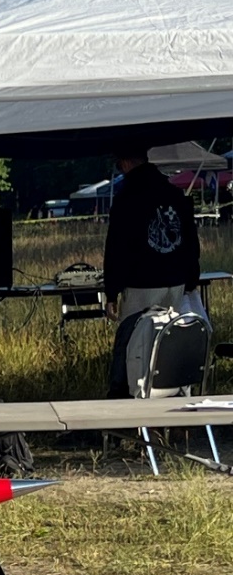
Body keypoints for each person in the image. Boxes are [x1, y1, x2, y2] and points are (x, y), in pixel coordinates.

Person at [104, 147, 201, 397]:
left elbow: (117, 247)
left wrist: (111, 290)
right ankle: (170, 391)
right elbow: (190, 238)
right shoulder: (174, 193)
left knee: (134, 342)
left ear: (125, 163)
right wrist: (191, 277)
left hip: (142, 281)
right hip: (176, 279)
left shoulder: (128, 196)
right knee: (168, 340)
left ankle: (128, 396)